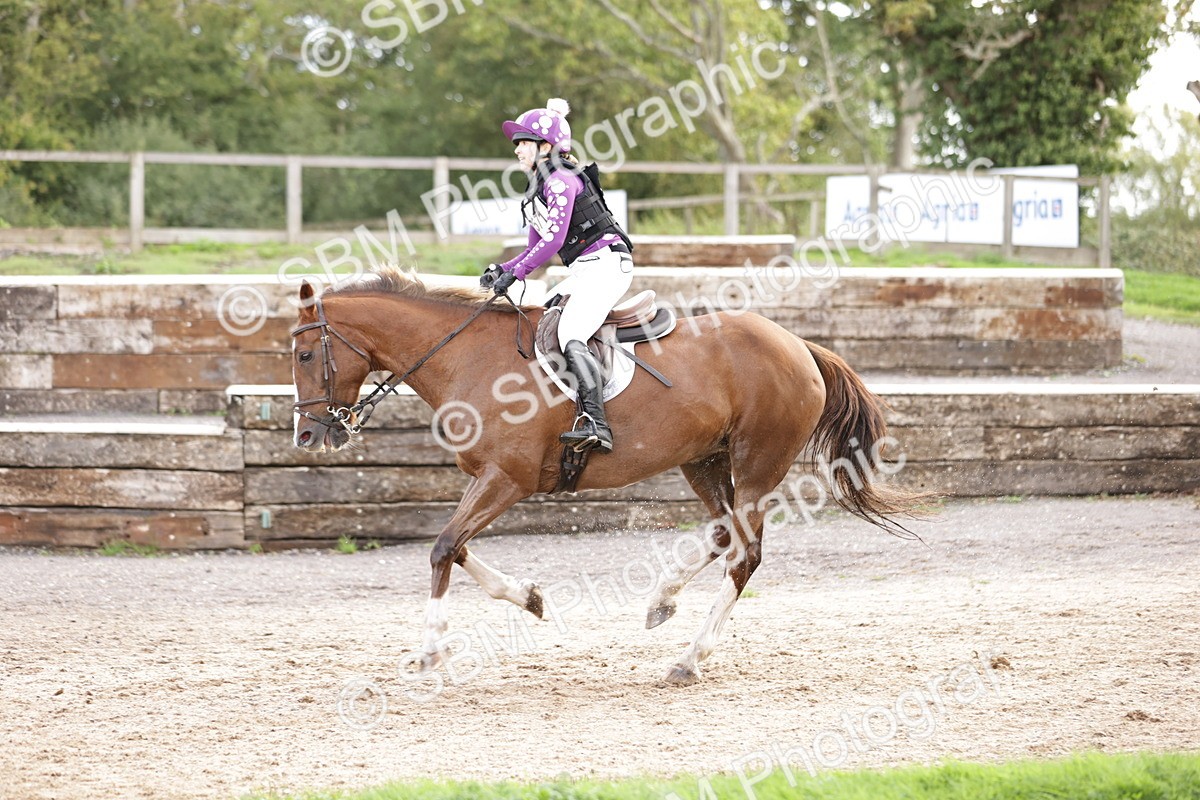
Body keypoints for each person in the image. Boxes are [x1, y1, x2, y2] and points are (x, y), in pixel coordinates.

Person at [481, 98, 634, 454]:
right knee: (543, 319)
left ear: (546, 146)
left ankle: (598, 423)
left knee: (570, 333)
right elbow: (534, 245)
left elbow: (554, 242)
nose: (517, 150)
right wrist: (504, 269)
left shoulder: (562, 180)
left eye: (524, 142)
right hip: (585, 269)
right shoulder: (539, 186)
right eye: (517, 143)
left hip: (608, 266)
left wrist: (515, 273)